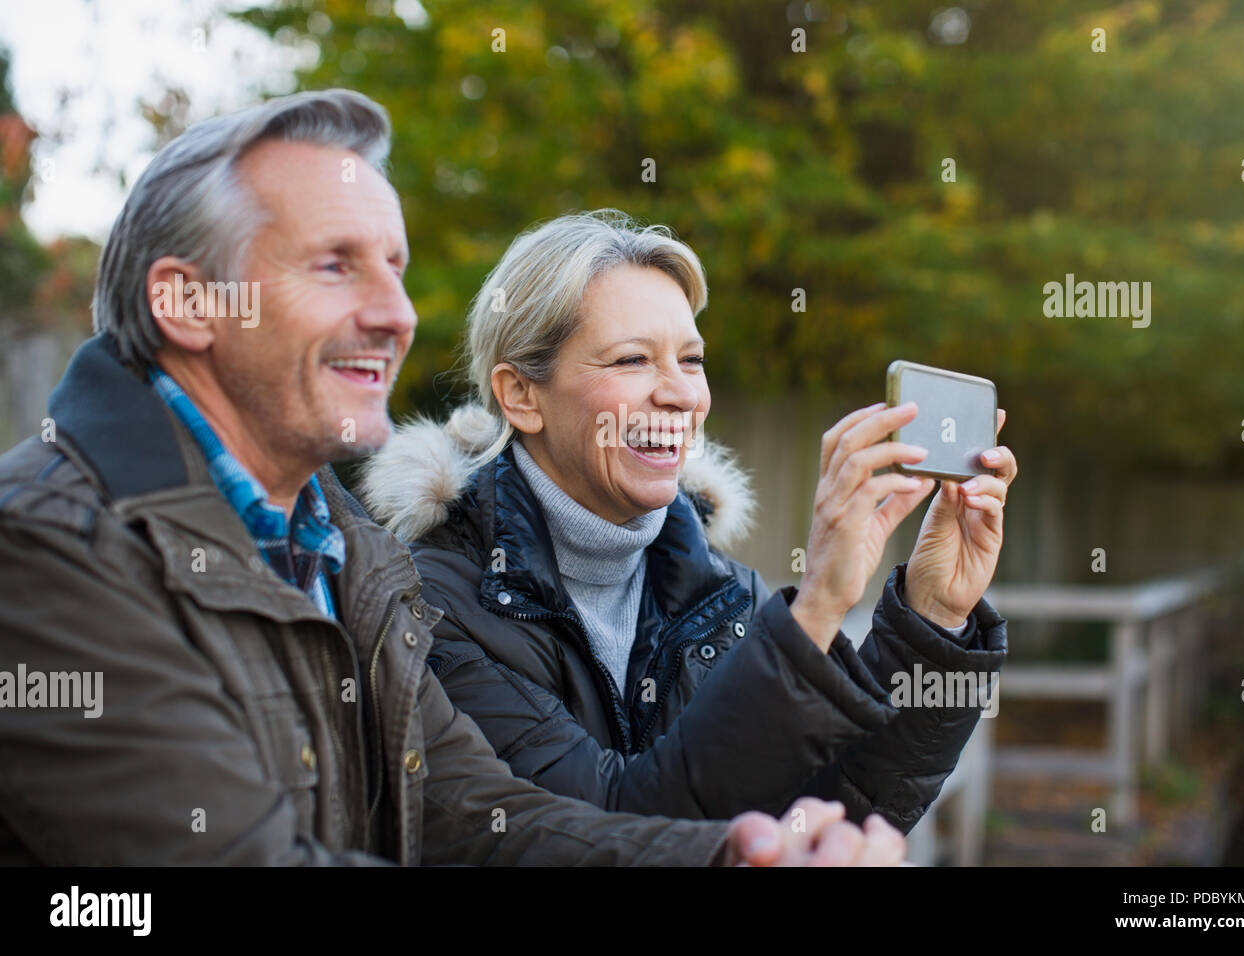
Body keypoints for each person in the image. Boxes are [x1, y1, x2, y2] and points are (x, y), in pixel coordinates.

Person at [0, 90, 905, 866]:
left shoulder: (345, 552)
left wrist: (722, 856)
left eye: (394, 268)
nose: (395, 313)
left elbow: (477, 822)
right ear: (188, 302)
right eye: (335, 265)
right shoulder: (47, 548)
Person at [359, 210, 1016, 828]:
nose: (681, 393)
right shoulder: (430, 609)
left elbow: (831, 812)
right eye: (632, 359)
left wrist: (932, 615)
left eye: (692, 359)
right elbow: (618, 823)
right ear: (522, 396)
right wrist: (816, 608)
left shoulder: (728, 597)